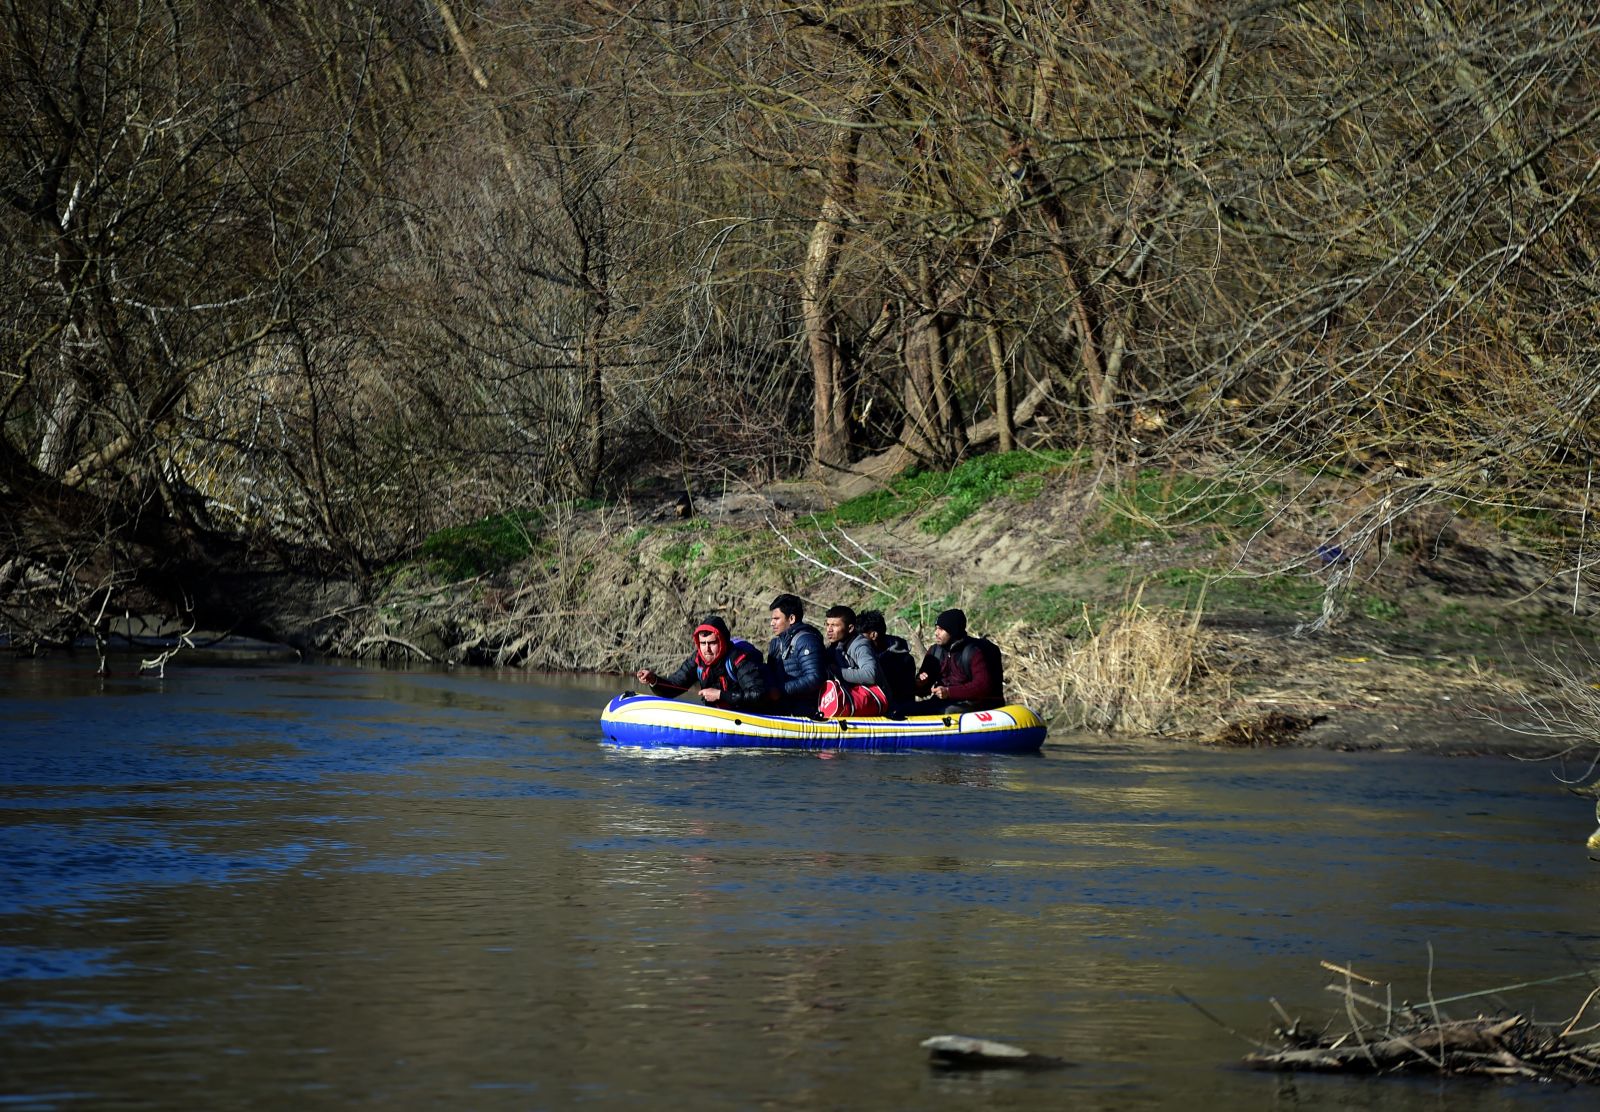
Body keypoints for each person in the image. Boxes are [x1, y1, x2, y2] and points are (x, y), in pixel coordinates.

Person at [635, 615, 766, 708]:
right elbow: (673, 686)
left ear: (723, 642)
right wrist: (654, 680)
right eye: (703, 643)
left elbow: (759, 695)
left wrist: (721, 695)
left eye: (712, 643)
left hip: (745, 718)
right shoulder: (697, 659)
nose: (706, 649)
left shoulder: (739, 659)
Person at [913, 608, 1004, 713]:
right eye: (936, 628)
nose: (936, 633)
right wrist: (920, 683)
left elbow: (982, 686)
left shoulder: (974, 652)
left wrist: (949, 692)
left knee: (946, 711)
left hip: (974, 704)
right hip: (944, 702)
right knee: (907, 710)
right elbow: (923, 691)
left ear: (953, 631)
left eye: (941, 629)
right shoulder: (935, 651)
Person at [818, 604, 889, 718]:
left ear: (850, 628)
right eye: (827, 625)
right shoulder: (835, 647)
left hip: (877, 701)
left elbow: (870, 675)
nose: (829, 630)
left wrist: (837, 671)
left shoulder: (860, 645)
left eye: (835, 625)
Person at [765, 593, 825, 714]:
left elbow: (814, 678)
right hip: (781, 707)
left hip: (804, 711)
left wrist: (781, 690)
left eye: (776, 619)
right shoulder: (776, 643)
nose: (772, 623)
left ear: (791, 619)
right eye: (772, 619)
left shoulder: (807, 640)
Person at [857, 609, 916, 713]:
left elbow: (907, 698)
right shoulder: (858, 655)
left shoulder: (903, 660)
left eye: (860, 637)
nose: (856, 641)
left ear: (873, 635)